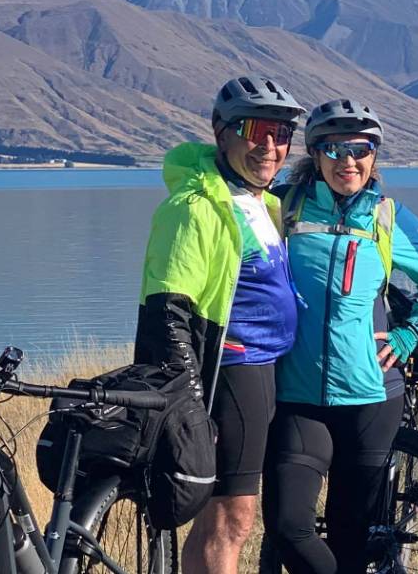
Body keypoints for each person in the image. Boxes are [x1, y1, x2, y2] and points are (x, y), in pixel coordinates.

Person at [264, 99, 418, 574]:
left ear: (374, 155)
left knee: (351, 537)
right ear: (315, 154)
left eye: (361, 148)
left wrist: (410, 334)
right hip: (298, 395)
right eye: (334, 149)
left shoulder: (386, 217)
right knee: (289, 526)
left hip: (372, 396)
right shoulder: (282, 208)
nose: (347, 160)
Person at [135, 75, 305, 574]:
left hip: (266, 368)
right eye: (255, 129)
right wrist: (188, 406)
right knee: (231, 518)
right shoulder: (194, 209)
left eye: (281, 134)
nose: (270, 146)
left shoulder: (257, 200)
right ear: (221, 130)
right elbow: (167, 312)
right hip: (232, 371)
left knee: (221, 519)